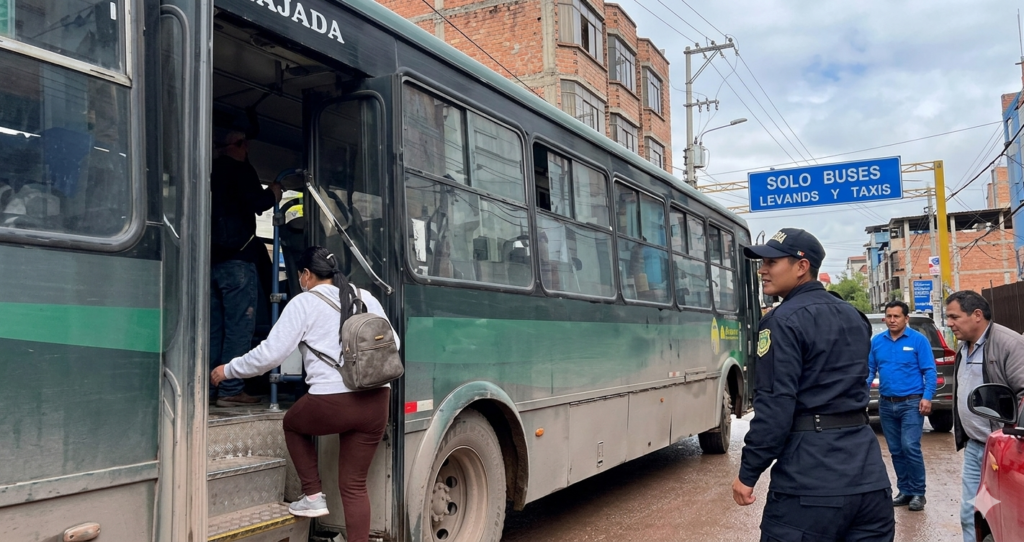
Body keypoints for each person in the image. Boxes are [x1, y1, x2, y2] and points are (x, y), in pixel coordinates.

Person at [211, 246, 396, 542]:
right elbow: (393, 343)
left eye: (300, 276)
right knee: (354, 485)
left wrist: (229, 370)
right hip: (376, 402)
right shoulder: (365, 297)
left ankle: (312, 495)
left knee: (293, 424)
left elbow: (269, 355)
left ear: (306, 275)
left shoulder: (304, 302)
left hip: (332, 402)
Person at [732, 228, 894, 542]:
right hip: (870, 480)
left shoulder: (781, 321)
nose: (762, 270)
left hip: (810, 486)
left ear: (801, 266)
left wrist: (748, 472)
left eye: (771, 262)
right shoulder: (854, 316)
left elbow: (775, 408)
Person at [209, 130, 282, 406]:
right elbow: (257, 203)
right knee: (239, 327)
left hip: (211, 262)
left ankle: (211, 386)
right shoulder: (241, 169)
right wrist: (273, 193)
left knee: (215, 328)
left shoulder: (211, 171)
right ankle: (231, 388)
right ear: (241, 146)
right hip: (239, 260)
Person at [945, 290, 1024, 542]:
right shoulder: (963, 347)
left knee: (1002, 515)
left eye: (954, 317)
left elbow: (1022, 393)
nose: (949, 323)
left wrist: (1011, 434)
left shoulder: (1009, 344)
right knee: (970, 514)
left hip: (1003, 450)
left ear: (977, 315)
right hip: (976, 446)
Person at [867, 300, 936, 512]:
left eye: (896, 316)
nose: (892, 320)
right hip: (886, 404)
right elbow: (869, 371)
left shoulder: (918, 340)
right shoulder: (877, 342)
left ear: (906, 318)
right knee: (896, 450)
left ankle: (918, 493)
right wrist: (860, 395)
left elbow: (929, 371)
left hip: (912, 404)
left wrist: (927, 397)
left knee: (910, 446)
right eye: (889, 316)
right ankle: (905, 490)